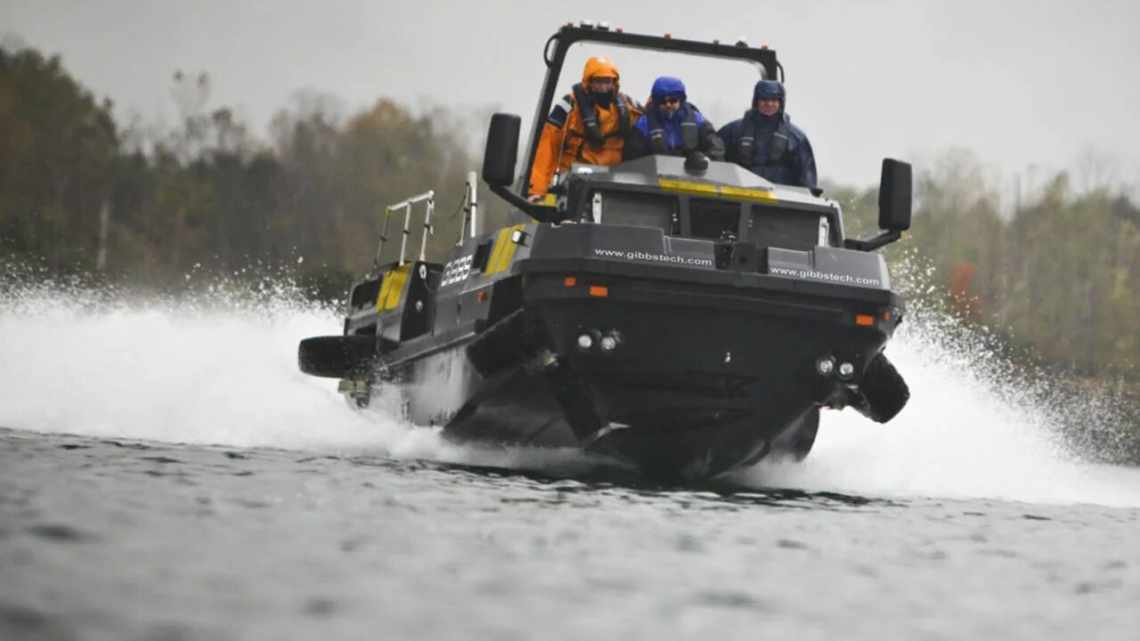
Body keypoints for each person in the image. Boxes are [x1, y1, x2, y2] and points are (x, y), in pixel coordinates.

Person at [528, 56, 641, 199]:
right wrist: (537, 191)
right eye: (598, 81)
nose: (603, 87)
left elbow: (653, 117)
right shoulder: (570, 107)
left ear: (614, 83)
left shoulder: (628, 106)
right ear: (588, 82)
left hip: (614, 187)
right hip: (571, 186)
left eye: (607, 81)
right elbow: (547, 147)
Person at [718, 79, 817, 188]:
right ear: (756, 101)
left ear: (780, 103)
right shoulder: (733, 131)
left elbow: (807, 180)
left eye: (774, 100)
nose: (769, 104)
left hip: (780, 200)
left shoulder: (796, 138)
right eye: (764, 99)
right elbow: (714, 156)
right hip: (738, 196)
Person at [624, 76, 724, 161]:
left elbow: (716, 146)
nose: (668, 105)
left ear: (681, 100)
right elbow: (632, 154)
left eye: (673, 100)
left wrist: (705, 159)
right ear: (655, 102)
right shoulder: (644, 123)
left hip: (691, 175)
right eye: (662, 101)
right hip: (655, 177)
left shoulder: (696, 119)